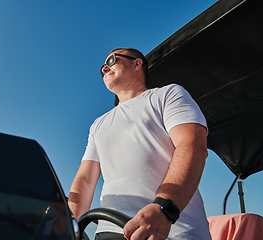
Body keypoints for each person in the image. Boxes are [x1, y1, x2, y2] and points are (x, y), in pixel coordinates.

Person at [68, 48, 211, 240]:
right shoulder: (98, 125)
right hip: (109, 232)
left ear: (137, 64)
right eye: (102, 68)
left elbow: (192, 145)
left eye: (111, 60)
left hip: (171, 231)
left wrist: (164, 209)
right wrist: (67, 227)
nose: (104, 69)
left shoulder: (168, 95)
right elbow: (85, 179)